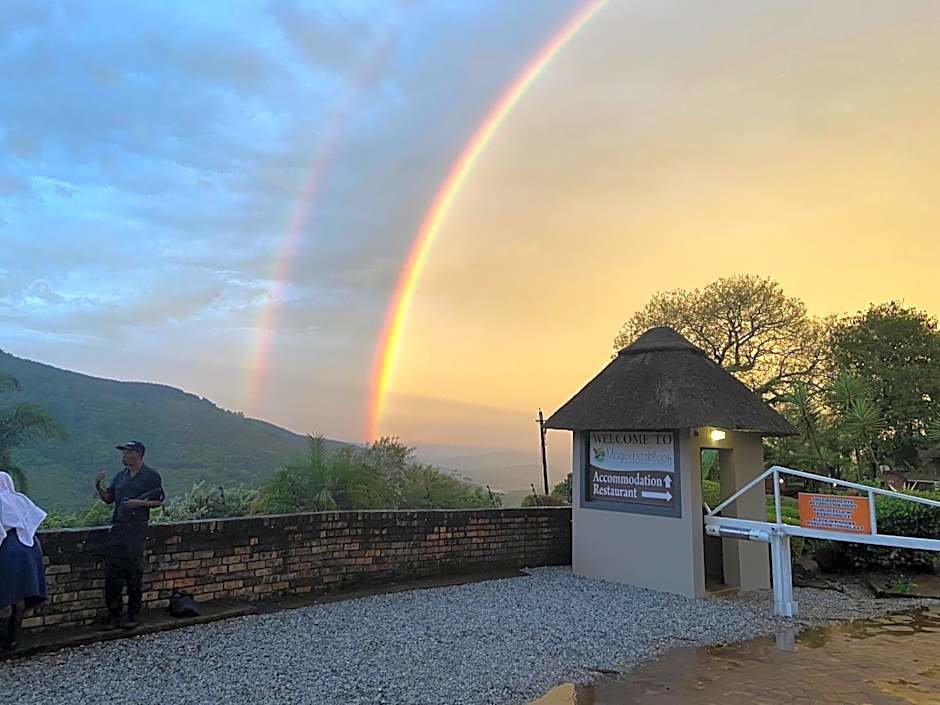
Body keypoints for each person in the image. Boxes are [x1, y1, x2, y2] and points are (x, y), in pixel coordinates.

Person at [94, 441, 164, 630]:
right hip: (118, 528)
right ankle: (114, 615)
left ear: (138, 454)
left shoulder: (151, 476)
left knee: (133, 573)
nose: (123, 456)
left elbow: (158, 501)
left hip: (137, 529)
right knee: (113, 574)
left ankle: (133, 615)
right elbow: (108, 499)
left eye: (127, 453)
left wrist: (139, 503)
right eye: (123, 453)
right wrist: (98, 485)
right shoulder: (120, 477)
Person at [0, 471, 48, 652]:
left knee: (5, 595)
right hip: (31, 547)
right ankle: (12, 640)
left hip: (10, 549)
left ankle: (2, 641)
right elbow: (33, 520)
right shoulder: (20, 499)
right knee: (20, 594)